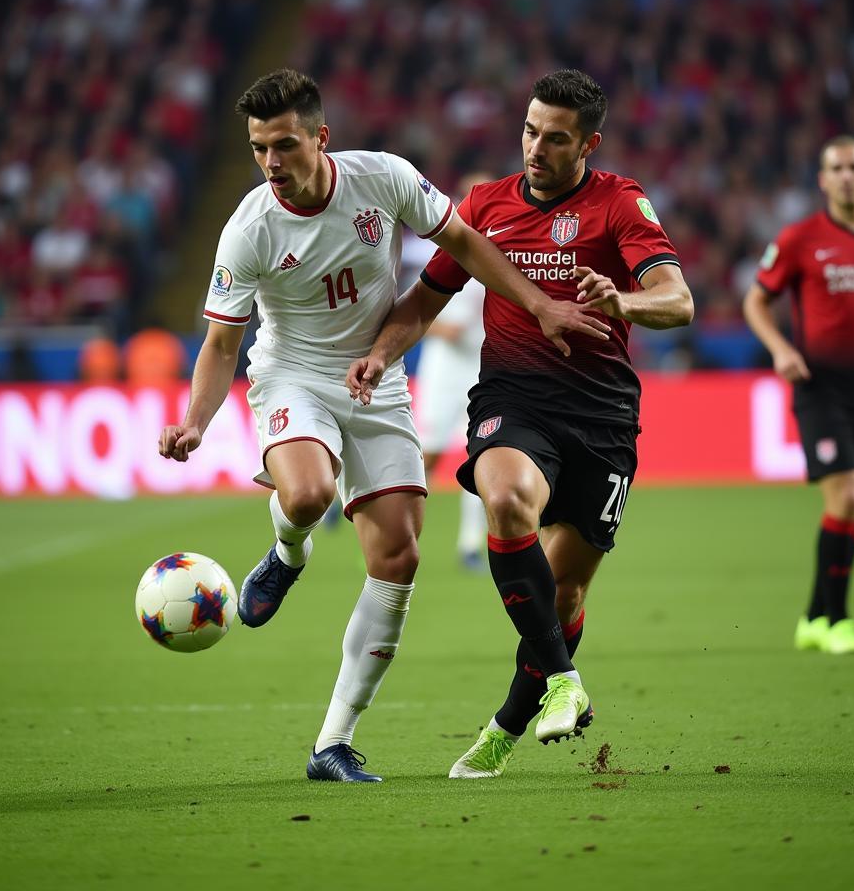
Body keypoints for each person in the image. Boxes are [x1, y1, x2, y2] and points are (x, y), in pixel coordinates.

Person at [157, 68, 608, 783]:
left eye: (284, 145)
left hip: (378, 377)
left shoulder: (384, 180)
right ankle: (288, 549)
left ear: (320, 138)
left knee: (397, 558)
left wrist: (538, 303)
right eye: (257, 149)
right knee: (307, 492)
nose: (271, 163)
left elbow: (465, 242)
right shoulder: (248, 228)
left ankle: (331, 743)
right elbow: (220, 344)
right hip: (292, 376)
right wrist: (194, 421)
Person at [347, 68, 694, 778]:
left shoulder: (619, 204)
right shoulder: (485, 205)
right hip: (515, 398)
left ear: (588, 144)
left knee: (563, 594)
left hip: (602, 416)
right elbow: (423, 300)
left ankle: (508, 723)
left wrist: (623, 304)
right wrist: (382, 354)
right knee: (504, 500)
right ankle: (566, 683)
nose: (536, 147)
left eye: (556, 138)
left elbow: (678, 301)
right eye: (531, 130)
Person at [743, 135, 854, 655]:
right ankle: (839, 621)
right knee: (844, 497)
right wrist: (780, 349)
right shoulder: (801, 238)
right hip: (819, 388)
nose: (847, 175)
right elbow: (756, 300)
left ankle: (813, 616)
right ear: (823, 180)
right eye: (837, 168)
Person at [414, 173, 492, 570]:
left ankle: (470, 546)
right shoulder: (445, 248)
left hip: (479, 364)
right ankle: (398, 531)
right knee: (428, 455)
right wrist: (445, 327)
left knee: (478, 454)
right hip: (443, 365)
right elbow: (419, 310)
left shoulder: (501, 249)